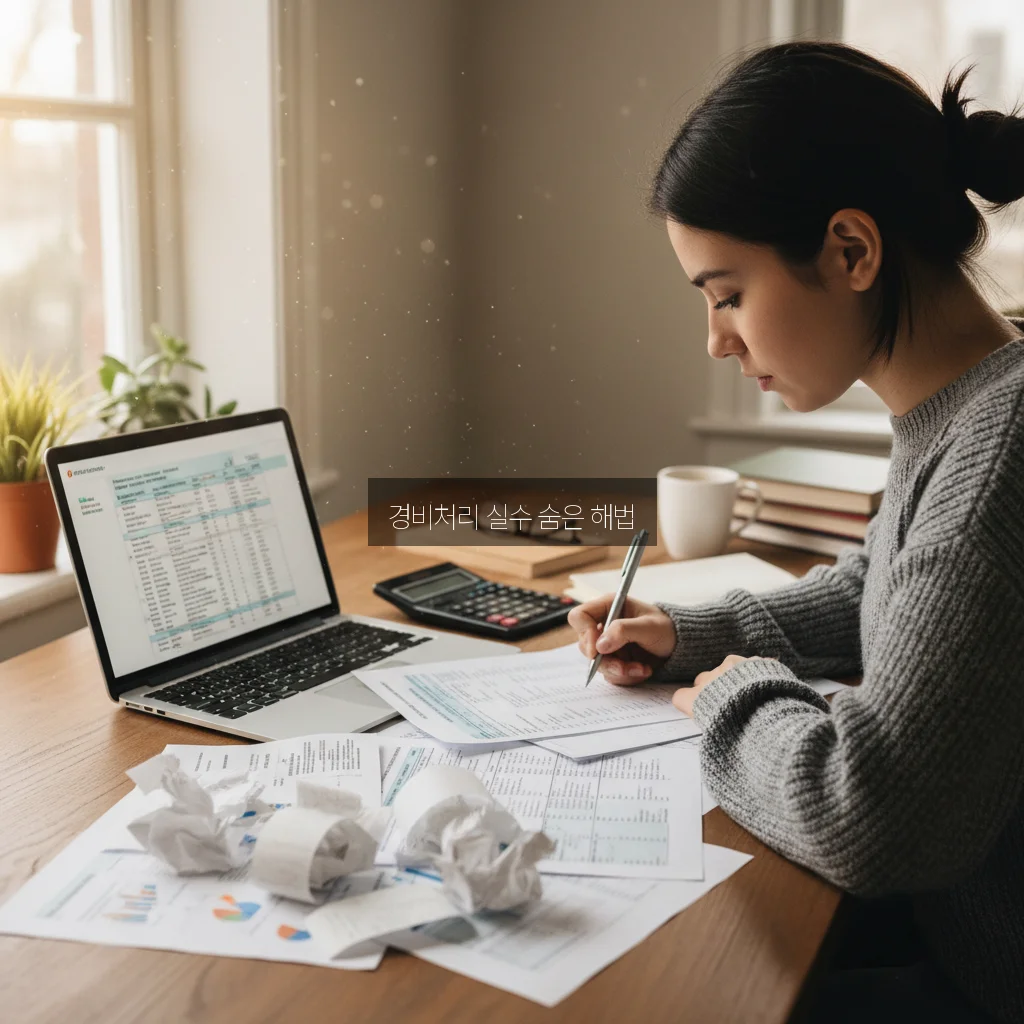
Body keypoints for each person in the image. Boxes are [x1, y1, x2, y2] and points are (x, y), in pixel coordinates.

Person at [568, 41, 1024, 1024]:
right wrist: (688, 635)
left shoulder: (1000, 449)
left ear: (851, 251)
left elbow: (878, 819)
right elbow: (882, 589)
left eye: (726, 294)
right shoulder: (964, 411)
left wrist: (734, 696)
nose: (716, 339)